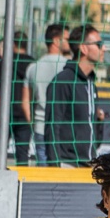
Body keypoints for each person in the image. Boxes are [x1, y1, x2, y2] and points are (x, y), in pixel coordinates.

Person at [43, 25, 106, 166]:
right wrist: (55, 166)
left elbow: (91, 132)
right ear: (84, 48)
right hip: (67, 164)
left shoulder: (91, 84)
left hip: (88, 165)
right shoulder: (63, 81)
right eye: (99, 44)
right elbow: (52, 127)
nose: (104, 48)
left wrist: (100, 122)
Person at [28, 23, 70, 162]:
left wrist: (33, 123)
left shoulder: (33, 67)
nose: (70, 42)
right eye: (67, 39)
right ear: (56, 41)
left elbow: (26, 102)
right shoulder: (69, 67)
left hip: (40, 126)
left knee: (43, 170)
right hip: (63, 129)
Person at [6, 29, 35, 161]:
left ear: (13, 44)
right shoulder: (33, 64)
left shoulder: (6, 62)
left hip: (6, 111)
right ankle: (23, 173)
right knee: (23, 153)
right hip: (25, 113)